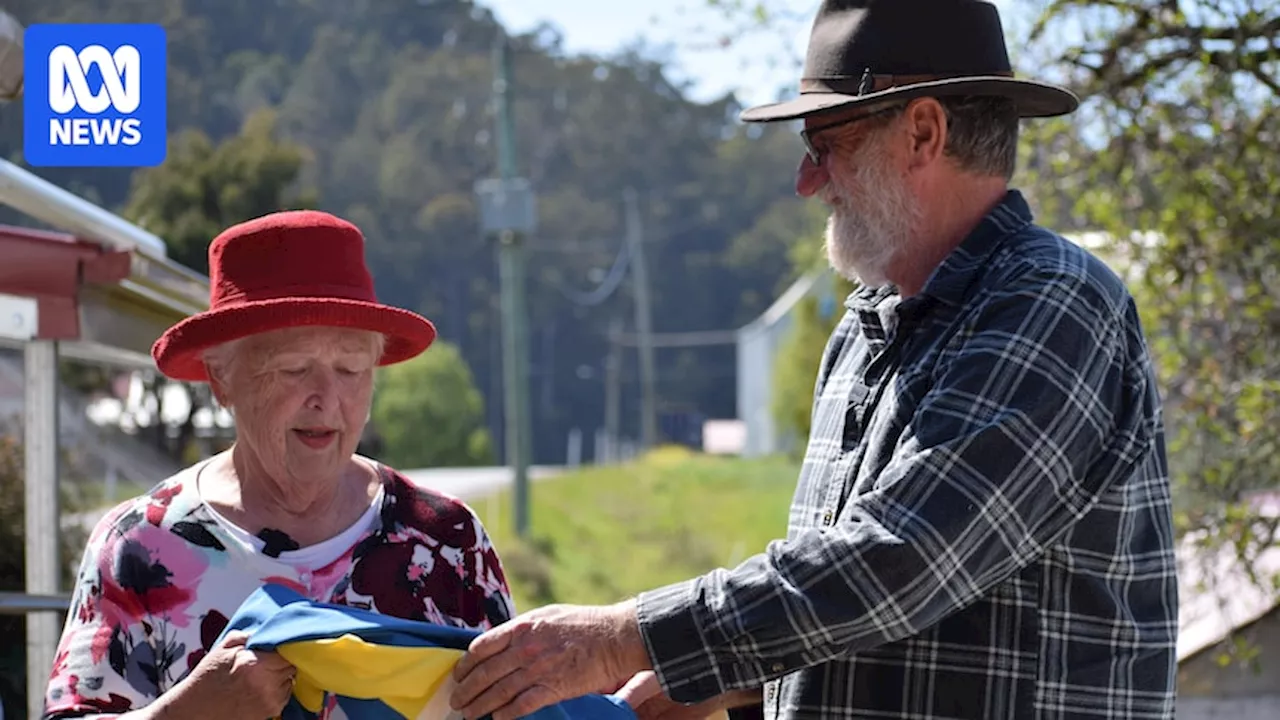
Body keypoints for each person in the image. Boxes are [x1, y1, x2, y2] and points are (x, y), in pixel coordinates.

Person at [447, 1, 1178, 719]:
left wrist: (621, 641)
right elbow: (855, 610)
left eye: (826, 143)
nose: (806, 180)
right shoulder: (864, 329)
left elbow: (900, 562)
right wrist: (722, 681)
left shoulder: (1055, 302)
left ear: (923, 132)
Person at [42, 210, 516, 720]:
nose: (326, 399)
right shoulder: (140, 545)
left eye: (351, 368)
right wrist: (189, 712)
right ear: (222, 380)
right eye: (294, 369)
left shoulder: (446, 541)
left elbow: (519, 709)